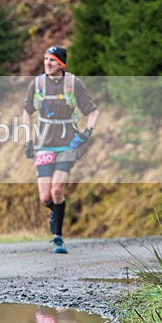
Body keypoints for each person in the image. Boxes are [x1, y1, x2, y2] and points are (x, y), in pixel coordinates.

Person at [22, 46, 98, 254]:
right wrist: (29, 141)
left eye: (53, 60)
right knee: (45, 197)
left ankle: (58, 238)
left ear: (61, 64)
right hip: (44, 144)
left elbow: (93, 111)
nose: (48, 63)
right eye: (46, 59)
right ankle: (55, 212)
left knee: (57, 190)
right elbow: (27, 112)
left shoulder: (73, 83)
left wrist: (87, 132)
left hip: (68, 144)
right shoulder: (37, 84)